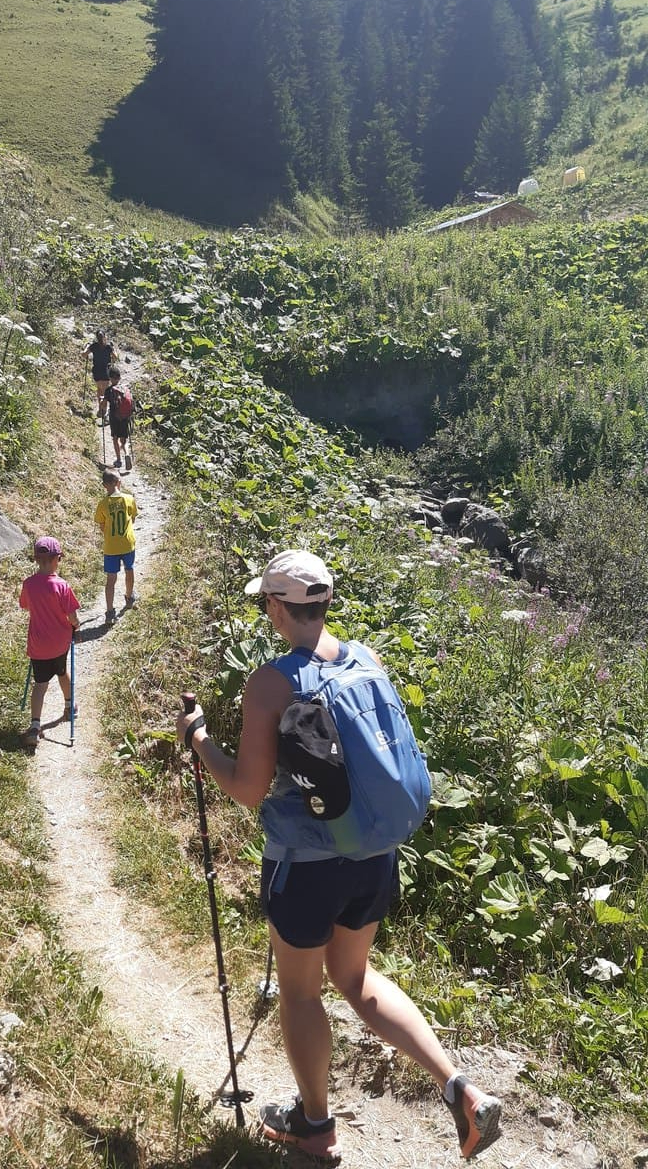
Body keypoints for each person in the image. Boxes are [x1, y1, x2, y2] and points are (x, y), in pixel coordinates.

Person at [174, 550, 502, 1165]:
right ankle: (460, 1089)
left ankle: (315, 1126)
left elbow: (247, 789)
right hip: (374, 854)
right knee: (353, 978)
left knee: (301, 994)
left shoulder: (271, 682)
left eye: (265, 602)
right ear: (323, 604)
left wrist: (200, 741)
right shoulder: (366, 661)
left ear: (276, 606)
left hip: (305, 864)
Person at [19, 536, 81, 746]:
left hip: (38, 645)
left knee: (40, 684)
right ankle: (69, 706)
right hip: (59, 643)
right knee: (62, 672)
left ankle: (35, 725)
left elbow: (26, 606)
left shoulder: (28, 584)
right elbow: (72, 616)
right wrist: (76, 625)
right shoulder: (62, 586)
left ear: (37, 559)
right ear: (57, 559)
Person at [94, 468, 137, 626]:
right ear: (119, 482)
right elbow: (132, 519)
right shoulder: (129, 498)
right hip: (127, 543)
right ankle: (129, 596)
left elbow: (101, 525)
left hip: (111, 547)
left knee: (111, 579)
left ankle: (110, 612)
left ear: (104, 485)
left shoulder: (102, 504)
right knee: (129, 569)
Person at [98, 366, 133, 470]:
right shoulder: (126, 389)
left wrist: (101, 401)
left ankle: (118, 460)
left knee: (115, 439)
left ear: (110, 378)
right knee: (124, 440)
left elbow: (103, 406)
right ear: (119, 377)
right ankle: (127, 454)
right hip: (125, 417)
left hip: (115, 417)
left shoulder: (109, 390)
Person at [85, 329, 116, 414]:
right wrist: (114, 349)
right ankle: (104, 411)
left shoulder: (93, 346)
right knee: (105, 392)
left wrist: (86, 347)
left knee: (99, 390)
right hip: (106, 371)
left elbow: (84, 354)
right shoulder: (108, 346)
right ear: (104, 337)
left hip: (97, 371)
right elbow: (115, 357)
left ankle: (100, 409)